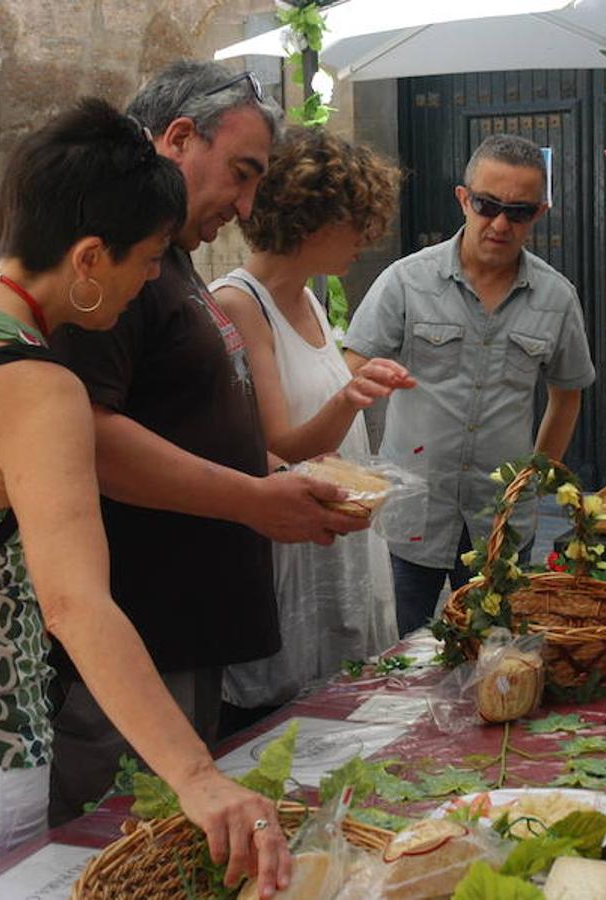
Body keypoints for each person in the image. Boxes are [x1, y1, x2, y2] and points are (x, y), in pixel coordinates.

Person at [0, 99, 291, 899]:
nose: (150, 281)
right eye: (145, 260)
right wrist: (198, 777)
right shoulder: (38, 391)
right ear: (89, 257)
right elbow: (77, 605)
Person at [47, 63, 369, 825]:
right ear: (178, 138)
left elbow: (187, 420)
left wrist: (281, 481)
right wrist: (256, 499)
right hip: (137, 645)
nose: (249, 204)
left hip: (187, 640)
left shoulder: (172, 260)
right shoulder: (109, 261)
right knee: (123, 846)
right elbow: (88, 435)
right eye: (242, 174)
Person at [343, 133, 596, 637]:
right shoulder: (406, 281)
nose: (500, 223)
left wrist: (533, 479)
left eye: (518, 212)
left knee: (497, 653)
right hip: (412, 508)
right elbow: (352, 366)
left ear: (539, 214)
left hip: (500, 519)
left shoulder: (556, 298)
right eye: (487, 205)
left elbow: (567, 396)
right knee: (396, 653)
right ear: (463, 199)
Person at [209, 127, 412, 727]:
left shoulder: (312, 298)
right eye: (358, 222)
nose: (367, 239)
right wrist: (352, 396)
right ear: (311, 219)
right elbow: (280, 444)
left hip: (336, 542)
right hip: (292, 554)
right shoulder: (240, 303)